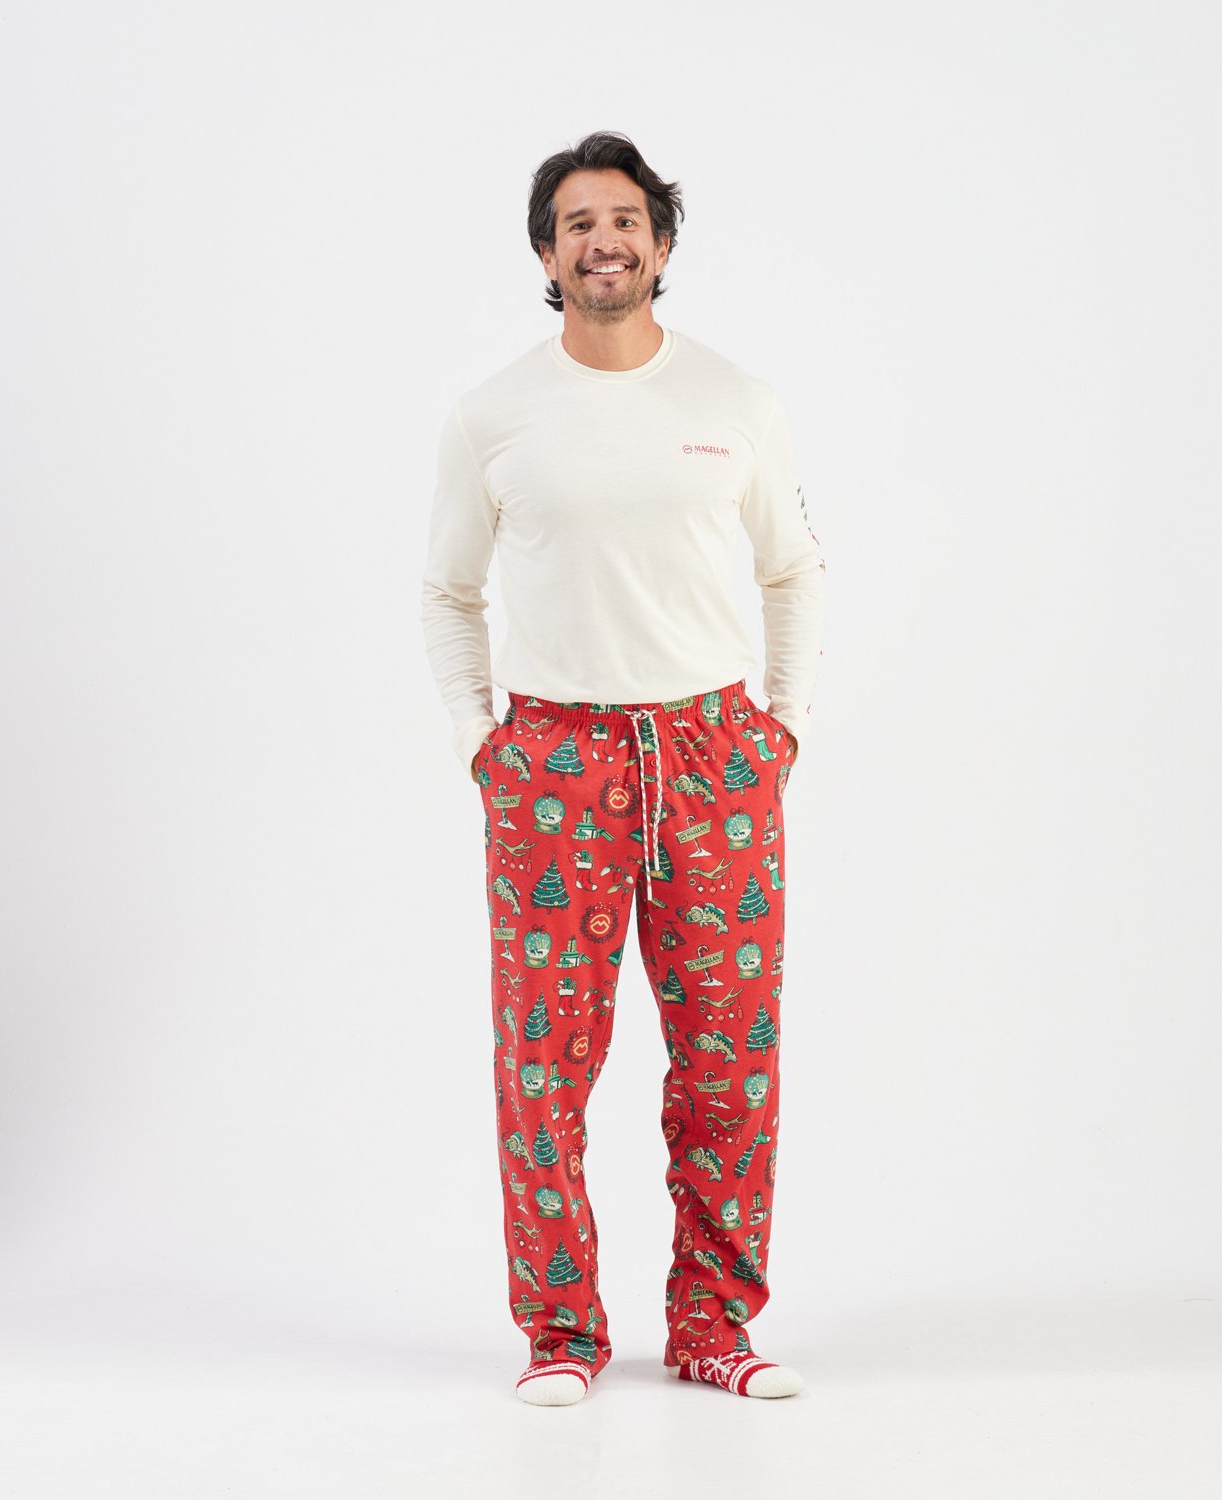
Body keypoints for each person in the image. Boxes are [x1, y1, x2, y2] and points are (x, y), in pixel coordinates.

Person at [420, 130, 824, 1405]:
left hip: (714, 755)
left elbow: (792, 569)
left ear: (661, 242)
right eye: (578, 223)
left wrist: (782, 726)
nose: (605, 241)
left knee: (729, 1056)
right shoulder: (494, 415)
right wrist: (484, 744)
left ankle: (714, 1326)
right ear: (548, 256)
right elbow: (447, 590)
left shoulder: (735, 401)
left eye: (627, 220)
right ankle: (562, 1335)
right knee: (545, 1061)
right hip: (556, 760)